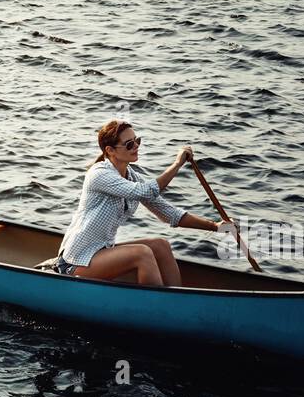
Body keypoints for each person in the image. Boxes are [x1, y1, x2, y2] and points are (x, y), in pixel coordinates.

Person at [55, 119, 222, 287]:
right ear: (110, 150)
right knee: (142, 253)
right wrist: (177, 164)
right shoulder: (98, 174)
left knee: (160, 245)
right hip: (75, 261)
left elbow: (170, 214)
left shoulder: (131, 176)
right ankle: (156, 306)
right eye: (129, 144)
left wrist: (216, 226)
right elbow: (145, 191)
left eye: (137, 141)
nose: (136, 146)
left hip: (102, 251)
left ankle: (176, 301)